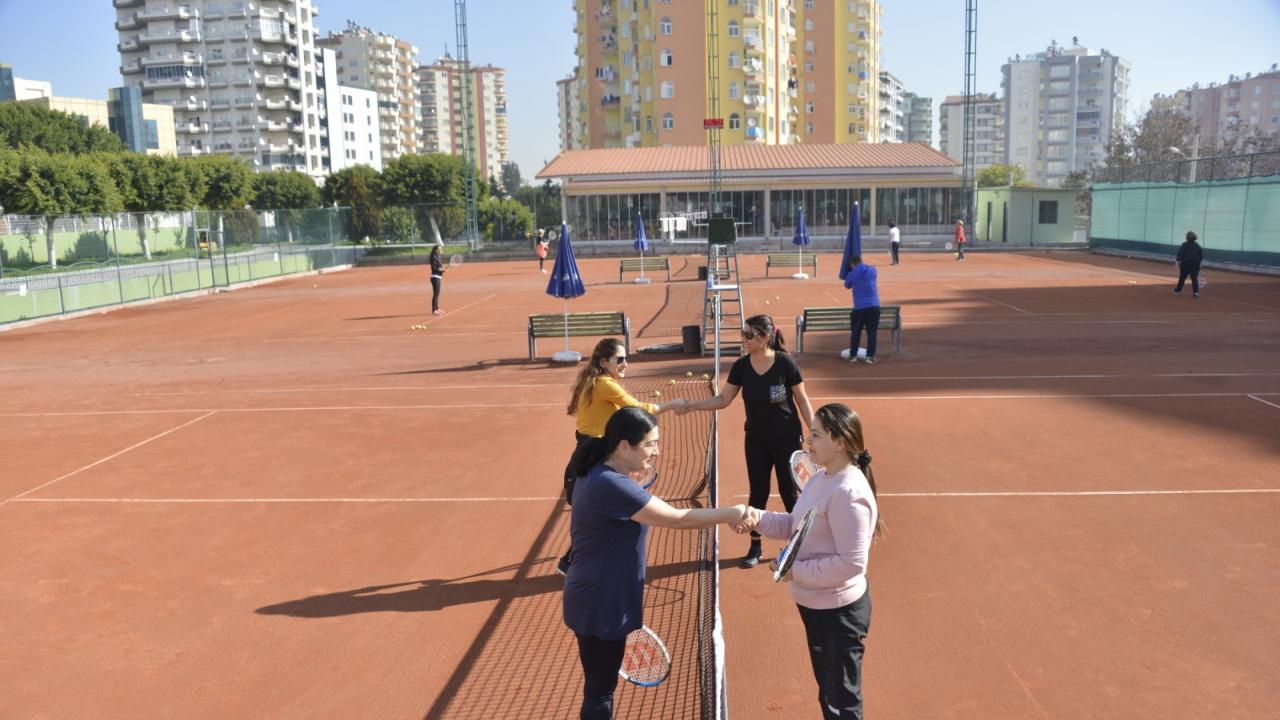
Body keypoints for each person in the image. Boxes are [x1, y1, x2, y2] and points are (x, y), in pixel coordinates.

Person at [564, 407, 749, 720]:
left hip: (596, 595)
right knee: (600, 692)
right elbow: (677, 519)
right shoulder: (612, 485)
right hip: (600, 601)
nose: (657, 450)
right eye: (650, 443)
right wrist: (732, 513)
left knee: (599, 687)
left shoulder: (599, 470)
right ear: (624, 446)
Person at [732, 403, 885, 720]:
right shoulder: (822, 478)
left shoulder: (849, 493)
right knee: (829, 693)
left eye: (815, 436)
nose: (807, 442)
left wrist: (793, 571)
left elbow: (851, 564)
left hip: (838, 614)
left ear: (840, 442)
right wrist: (756, 518)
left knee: (840, 702)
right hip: (819, 607)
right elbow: (794, 524)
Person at [681, 314, 815, 567]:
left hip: (787, 440)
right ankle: (755, 546)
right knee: (758, 494)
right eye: (743, 334)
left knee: (790, 494)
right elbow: (722, 400)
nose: (744, 339)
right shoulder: (741, 366)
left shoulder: (786, 364)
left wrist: (815, 432)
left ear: (765, 338)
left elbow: (802, 400)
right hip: (756, 441)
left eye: (748, 335)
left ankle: (797, 545)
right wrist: (692, 405)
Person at [559, 338, 686, 576]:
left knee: (595, 510)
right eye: (620, 359)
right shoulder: (605, 384)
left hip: (586, 450)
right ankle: (571, 562)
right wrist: (673, 404)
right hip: (596, 452)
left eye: (626, 358)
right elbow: (635, 409)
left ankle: (572, 559)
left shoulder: (591, 380)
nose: (625, 363)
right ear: (604, 361)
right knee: (605, 509)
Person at [844, 254, 881, 365]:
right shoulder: (873, 270)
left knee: (856, 332)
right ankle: (870, 356)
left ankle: (853, 355)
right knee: (872, 332)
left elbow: (847, 285)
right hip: (874, 306)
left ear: (852, 264)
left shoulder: (852, 274)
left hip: (859, 308)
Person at [1174, 230, 1202, 297]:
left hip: (1185, 264)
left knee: (1182, 278)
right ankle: (1195, 292)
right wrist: (1199, 263)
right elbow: (1201, 255)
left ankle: (1178, 291)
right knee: (1194, 279)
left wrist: (1177, 262)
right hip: (1195, 264)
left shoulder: (1184, 245)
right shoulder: (1197, 245)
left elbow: (1180, 254)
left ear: (1187, 237)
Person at [429, 245, 446, 315]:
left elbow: (439, 268)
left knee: (437, 294)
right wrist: (442, 270)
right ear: (436, 250)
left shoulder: (438, 257)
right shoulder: (434, 258)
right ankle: (434, 310)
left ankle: (437, 308)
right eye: (440, 249)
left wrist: (443, 269)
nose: (441, 250)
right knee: (436, 294)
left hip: (438, 277)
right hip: (435, 278)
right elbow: (434, 269)